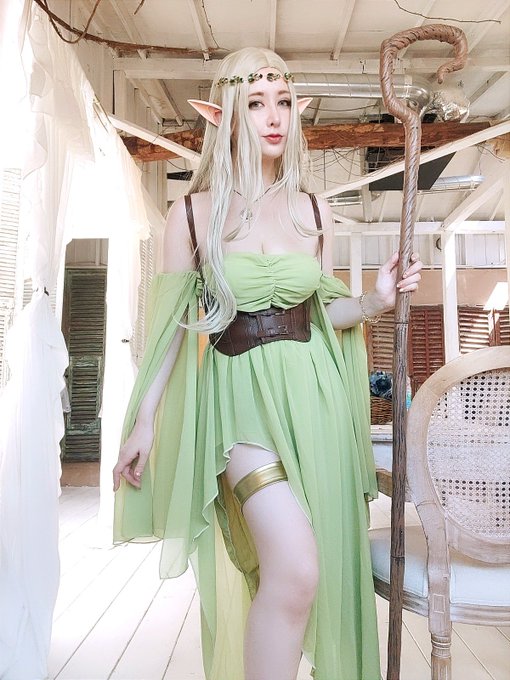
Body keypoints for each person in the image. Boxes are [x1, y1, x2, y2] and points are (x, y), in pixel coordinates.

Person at [113, 46, 422, 680]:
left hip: (316, 399)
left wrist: (375, 300)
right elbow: (170, 330)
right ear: (224, 116)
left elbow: (322, 314)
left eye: (283, 102)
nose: (274, 117)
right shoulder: (192, 215)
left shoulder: (314, 210)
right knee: (296, 567)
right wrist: (143, 420)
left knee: (312, 572)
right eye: (256, 104)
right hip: (239, 404)